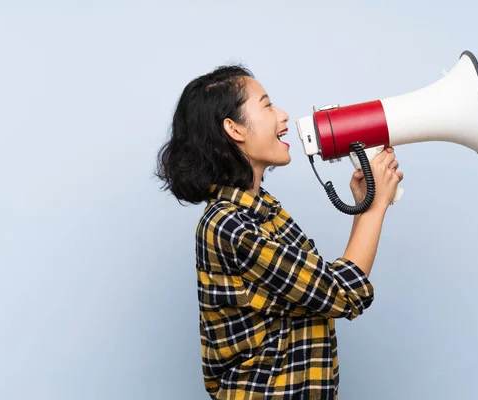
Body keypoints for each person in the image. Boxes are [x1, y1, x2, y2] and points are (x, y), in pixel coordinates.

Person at [155, 64, 403, 399]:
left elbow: (317, 291)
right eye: (267, 106)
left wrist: (364, 205)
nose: (283, 115)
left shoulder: (264, 210)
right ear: (234, 128)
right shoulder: (229, 226)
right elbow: (343, 295)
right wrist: (376, 209)